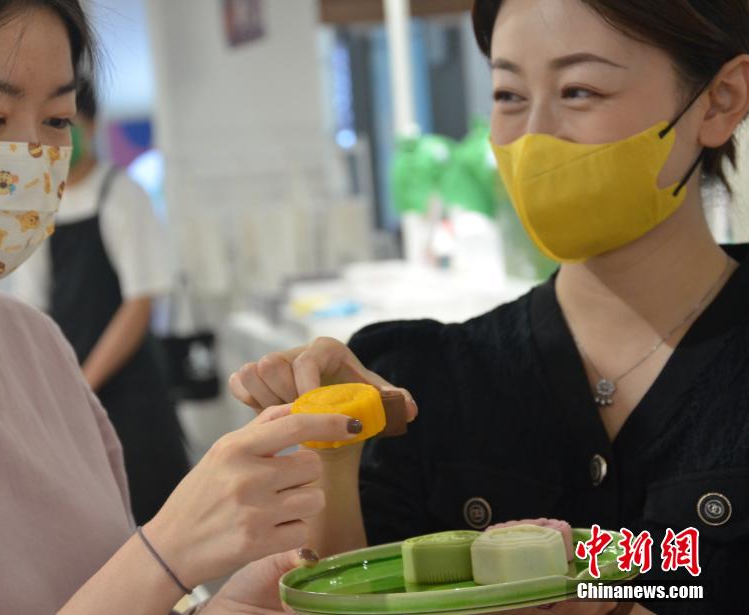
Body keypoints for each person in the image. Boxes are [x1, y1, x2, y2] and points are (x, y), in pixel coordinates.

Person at [0, 2, 364, 613]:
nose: (29, 157)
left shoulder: (32, 342)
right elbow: (142, 572)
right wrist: (167, 555)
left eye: (56, 119)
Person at [230, 1, 749, 613]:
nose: (533, 136)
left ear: (719, 100)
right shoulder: (425, 378)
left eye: (579, 90)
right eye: (508, 95)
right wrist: (335, 460)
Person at [12, 77, 188, 525]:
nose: (56, 137)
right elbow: (33, 307)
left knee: (155, 514)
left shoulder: (121, 193)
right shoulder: (38, 204)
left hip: (129, 389)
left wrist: (85, 382)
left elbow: (139, 303)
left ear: (89, 126)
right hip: (70, 384)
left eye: (64, 122)